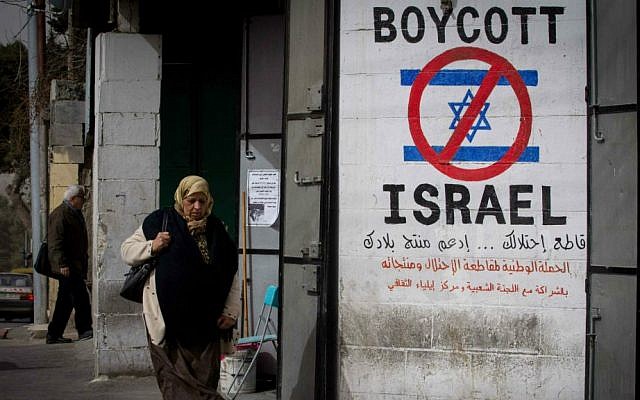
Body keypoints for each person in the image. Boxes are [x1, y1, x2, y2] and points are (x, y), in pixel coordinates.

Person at [121, 175, 240, 399]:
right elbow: (126, 251)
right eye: (191, 200)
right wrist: (152, 246)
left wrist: (231, 312)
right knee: (175, 387)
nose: (196, 207)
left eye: (202, 201)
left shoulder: (216, 230)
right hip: (168, 328)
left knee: (204, 385)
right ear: (181, 198)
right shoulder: (160, 221)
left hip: (207, 328)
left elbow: (232, 274)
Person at [46, 184, 93, 344]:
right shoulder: (60, 215)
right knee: (80, 299)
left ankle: (54, 334)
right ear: (73, 199)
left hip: (74, 266)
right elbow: (55, 242)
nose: (83, 202)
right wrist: (61, 264)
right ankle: (84, 330)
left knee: (65, 301)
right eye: (81, 198)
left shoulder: (74, 213)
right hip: (67, 267)